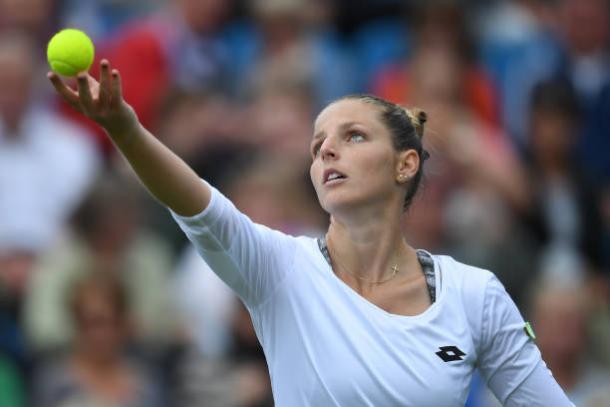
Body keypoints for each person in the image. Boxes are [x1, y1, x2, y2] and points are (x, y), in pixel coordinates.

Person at [48, 60, 574, 406]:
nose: (326, 149)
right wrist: (124, 127)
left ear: (405, 164)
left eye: (353, 136)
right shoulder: (280, 270)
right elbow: (198, 203)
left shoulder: (475, 295)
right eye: (319, 141)